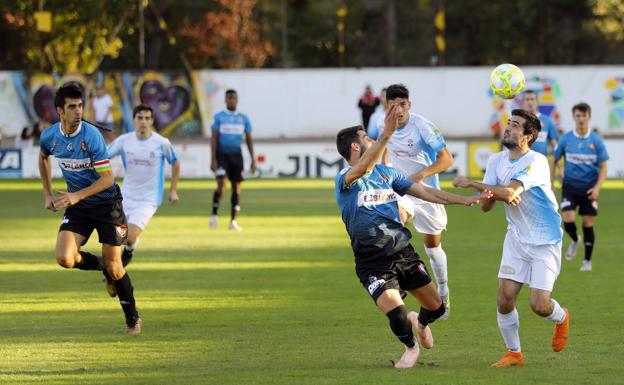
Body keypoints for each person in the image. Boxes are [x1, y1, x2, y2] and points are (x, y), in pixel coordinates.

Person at [335, 106, 487, 368]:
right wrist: (386, 134)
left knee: (437, 308)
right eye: (367, 139)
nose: (373, 141)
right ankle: (410, 346)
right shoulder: (346, 180)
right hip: (372, 261)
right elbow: (362, 169)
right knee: (396, 312)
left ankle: (421, 322)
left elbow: (427, 193)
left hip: (402, 252)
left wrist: (464, 201)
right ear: (356, 148)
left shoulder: (388, 175)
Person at [452, 109, 570, 368]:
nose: (508, 128)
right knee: (505, 299)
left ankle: (561, 318)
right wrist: (494, 193)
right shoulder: (496, 161)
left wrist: (476, 185)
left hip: (544, 241)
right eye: (508, 123)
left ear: (528, 136)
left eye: (515, 125)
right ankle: (514, 353)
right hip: (516, 238)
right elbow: (487, 205)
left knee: (539, 305)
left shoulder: (536, 162)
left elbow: (509, 191)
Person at [38, 82, 141, 334]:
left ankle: (133, 319)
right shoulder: (50, 136)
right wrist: (48, 192)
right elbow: (43, 157)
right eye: (72, 107)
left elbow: (108, 179)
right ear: (60, 110)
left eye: (80, 105)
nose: (78, 111)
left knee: (116, 267)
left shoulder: (92, 136)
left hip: (108, 205)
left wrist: (76, 196)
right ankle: (102, 267)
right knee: (65, 258)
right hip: (80, 205)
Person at [378, 83, 454, 319]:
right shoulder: (384, 124)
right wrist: (382, 172)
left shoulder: (422, 127)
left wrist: (420, 176)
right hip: (402, 192)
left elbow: (447, 160)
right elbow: (384, 149)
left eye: (402, 104)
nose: (398, 109)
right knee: (391, 227)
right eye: (393, 105)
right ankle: (396, 286)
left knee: (433, 248)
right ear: (386, 106)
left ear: (409, 105)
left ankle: (443, 289)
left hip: (428, 194)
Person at [107, 104, 180, 267]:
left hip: (148, 200)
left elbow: (175, 163)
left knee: (129, 236)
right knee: (114, 238)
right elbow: (104, 156)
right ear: (133, 120)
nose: (143, 122)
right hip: (125, 197)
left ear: (152, 121)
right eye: (140, 118)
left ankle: (129, 250)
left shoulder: (162, 143)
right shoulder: (124, 140)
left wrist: (173, 190)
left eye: (147, 118)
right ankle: (114, 272)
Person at [553, 102, 609, 272]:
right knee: (568, 219)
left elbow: (604, 167)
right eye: (578, 116)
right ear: (574, 117)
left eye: (584, 116)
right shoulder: (565, 139)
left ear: (589, 117)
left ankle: (587, 261)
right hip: (570, 186)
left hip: (589, 189)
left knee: (587, 222)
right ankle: (575, 239)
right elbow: (553, 160)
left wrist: (598, 188)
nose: (581, 119)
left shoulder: (596, 141)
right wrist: (551, 183)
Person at [209, 89, 256, 231]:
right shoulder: (219, 117)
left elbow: (248, 139)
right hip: (222, 155)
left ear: (237, 99)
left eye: (234, 98)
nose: (231, 100)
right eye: (229, 98)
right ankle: (214, 216)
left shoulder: (243, 118)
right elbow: (214, 138)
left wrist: (253, 159)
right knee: (221, 185)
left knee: (236, 188)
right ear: (225, 100)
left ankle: (233, 221)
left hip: (237, 156)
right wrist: (213, 159)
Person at [522, 90, 558, 187]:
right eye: (527, 99)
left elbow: (555, 145)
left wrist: (560, 168)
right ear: (523, 102)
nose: (530, 102)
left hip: (541, 167)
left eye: (532, 99)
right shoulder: (519, 121)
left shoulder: (547, 120)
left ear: (537, 101)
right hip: (522, 167)